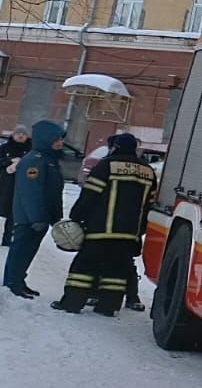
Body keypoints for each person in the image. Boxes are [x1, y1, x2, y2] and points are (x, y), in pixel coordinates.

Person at [53, 132, 155, 316]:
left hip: (101, 230)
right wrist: (139, 231)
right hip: (129, 234)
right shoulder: (147, 171)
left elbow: (90, 194)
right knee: (116, 271)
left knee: (84, 267)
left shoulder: (107, 165)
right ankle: (108, 307)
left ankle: (72, 303)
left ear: (115, 147)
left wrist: (76, 216)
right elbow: (149, 204)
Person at [4, 120, 65, 298]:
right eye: (57, 139)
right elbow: (31, 192)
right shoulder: (34, 161)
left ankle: (18, 281)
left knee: (28, 251)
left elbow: (53, 191)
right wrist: (36, 217)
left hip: (39, 218)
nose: (60, 143)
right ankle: (12, 284)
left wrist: (54, 216)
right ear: (46, 139)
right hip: (29, 219)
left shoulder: (48, 160)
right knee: (20, 251)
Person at [0, 124, 31, 246]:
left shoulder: (30, 149)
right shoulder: (5, 148)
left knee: (13, 214)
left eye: (23, 134)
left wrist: (22, 164)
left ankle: (7, 239)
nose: (20, 136)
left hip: (21, 186)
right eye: (18, 133)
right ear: (13, 135)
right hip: (4, 185)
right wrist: (8, 163)